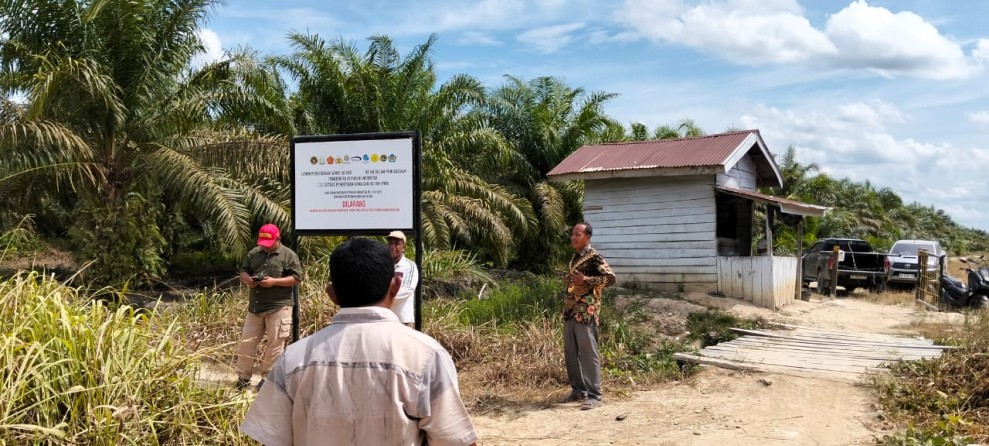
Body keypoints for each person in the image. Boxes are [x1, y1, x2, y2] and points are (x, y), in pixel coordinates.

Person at [240, 237, 478, 446]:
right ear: (394, 286)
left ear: (331, 294)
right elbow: (454, 440)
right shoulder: (426, 356)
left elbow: (272, 438)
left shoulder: (294, 359)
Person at [235, 223, 303, 392]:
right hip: (256, 307)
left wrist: (274, 282)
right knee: (246, 343)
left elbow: (297, 278)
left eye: (269, 243)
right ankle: (243, 377)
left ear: (278, 239)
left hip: (279, 306)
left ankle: (267, 378)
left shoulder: (288, 255)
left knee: (275, 345)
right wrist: (248, 280)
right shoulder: (254, 253)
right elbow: (243, 271)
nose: (265, 247)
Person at [562, 222, 615, 410]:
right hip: (570, 312)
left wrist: (586, 280)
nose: (573, 237)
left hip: (586, 313)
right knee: (571, 353)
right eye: (572, 234)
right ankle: (578, 390)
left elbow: (610, 278)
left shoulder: (595, 257)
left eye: (578, 234)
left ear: (588, 237)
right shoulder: (575, 257)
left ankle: (594, 395)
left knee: (587, 354)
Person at [387, 230, 419, 328]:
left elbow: (408, 289)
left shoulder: (409, 266)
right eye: (390, 243)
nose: (393, 247)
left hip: (403, 321)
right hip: (386, 320)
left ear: (404, 247)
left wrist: (385, 299)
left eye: (397, 244)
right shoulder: (383, 265)